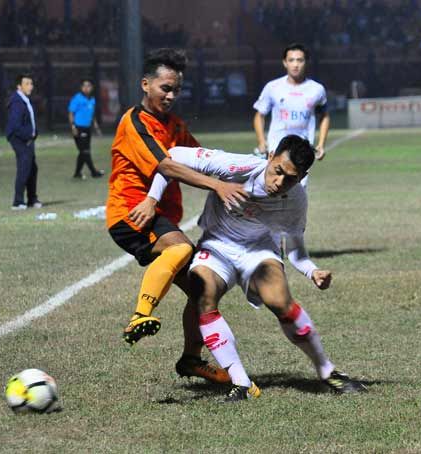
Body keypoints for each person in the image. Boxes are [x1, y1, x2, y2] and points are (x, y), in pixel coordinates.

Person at [143, 135, 367, 402]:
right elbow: (171, 157)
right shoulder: (234, 166)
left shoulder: (295, 200)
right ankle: (241, 383)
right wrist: (151, 199)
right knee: (202, 293)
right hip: (217, 247)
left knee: (280, 301)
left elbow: (296, 249)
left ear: (302, 176)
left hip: (259, 250)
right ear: (270, 156)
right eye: (278, 172)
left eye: (291, 179)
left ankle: (328, 371)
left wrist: (312, 271)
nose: (280, 183)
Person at [105, 48, 247, 383]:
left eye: (176, 90)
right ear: (145, 84)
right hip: (132, 213)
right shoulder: (135, 122)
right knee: (180, 249)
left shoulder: (176, 126)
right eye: (164, 88)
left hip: (160, 216)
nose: (170, 95)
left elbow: (205, 159)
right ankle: (141, 315)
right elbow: (167, 166)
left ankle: (191, 360)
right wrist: (215, 186)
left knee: (202, 290)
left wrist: (254, 165)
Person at [252, 43, 330, 187]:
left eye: (300, 60)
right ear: (284, 63)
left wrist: (321, 144)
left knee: (297, 190)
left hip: (302, 152)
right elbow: (259, 115)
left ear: (306, 62)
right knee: (272, 187)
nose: (295, 65)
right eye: (291, 60)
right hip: (277, 149)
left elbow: (324, 116)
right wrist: (262, 141)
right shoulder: (273, 87)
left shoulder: (317, 89)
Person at [6, 73, 40, 210]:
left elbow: (28, 120)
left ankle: (32, 199)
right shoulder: (16, 101)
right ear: (19, 86)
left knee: (32, 168)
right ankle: (18, 201)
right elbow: (15, 126)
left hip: (27, 138)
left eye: (31, 83)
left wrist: (34, 133)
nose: (30, 86)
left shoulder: (24, 99)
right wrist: (28, 137)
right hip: (19, 139)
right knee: (24, 168)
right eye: (27, 83)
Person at [68, 79, 104, 179]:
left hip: (87, 128)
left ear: (92, 88)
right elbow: (71, 113)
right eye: (84, 86)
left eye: (88, 86)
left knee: (83, 152)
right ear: (81, 87)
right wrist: (73, 126)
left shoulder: (92, 99)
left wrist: (96, 126)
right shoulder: (77, 98)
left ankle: (77, 173)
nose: (86, 88)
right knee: (85, 151)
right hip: (79, 128)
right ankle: (93, 172)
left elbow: (92, 115)